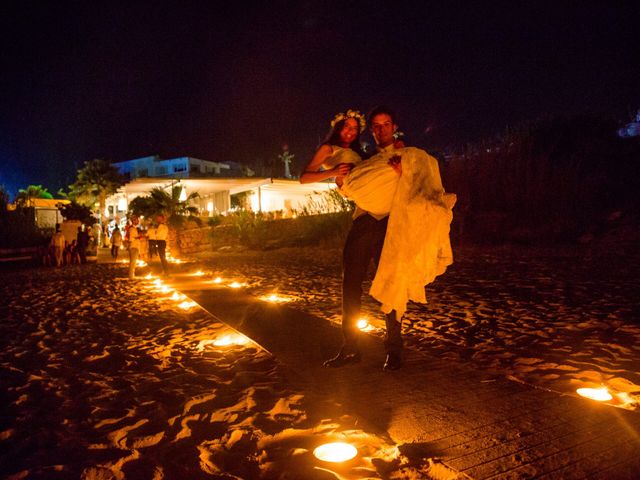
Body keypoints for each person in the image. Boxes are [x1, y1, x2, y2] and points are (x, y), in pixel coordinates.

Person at [321, 106, 408, 371]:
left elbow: (416, 186)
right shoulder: (365, 160)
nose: (382, 129)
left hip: (390, 225)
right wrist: (339, 182)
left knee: (390, 287)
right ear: (372, 130)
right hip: (363, 222)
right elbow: (351, 189)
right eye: (376, 126)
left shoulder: (406, 155)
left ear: (394, 126)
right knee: (350, 285)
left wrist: (402, 173)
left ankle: (394, 350)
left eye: (386, 124)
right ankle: (350, 349)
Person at [300, 109, 367, 185]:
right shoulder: (328, 148)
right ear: (339, 128)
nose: (350, 130)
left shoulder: (356, 151)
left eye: (355, 128)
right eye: (347, 126)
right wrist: (333, 172)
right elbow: (304, 178)